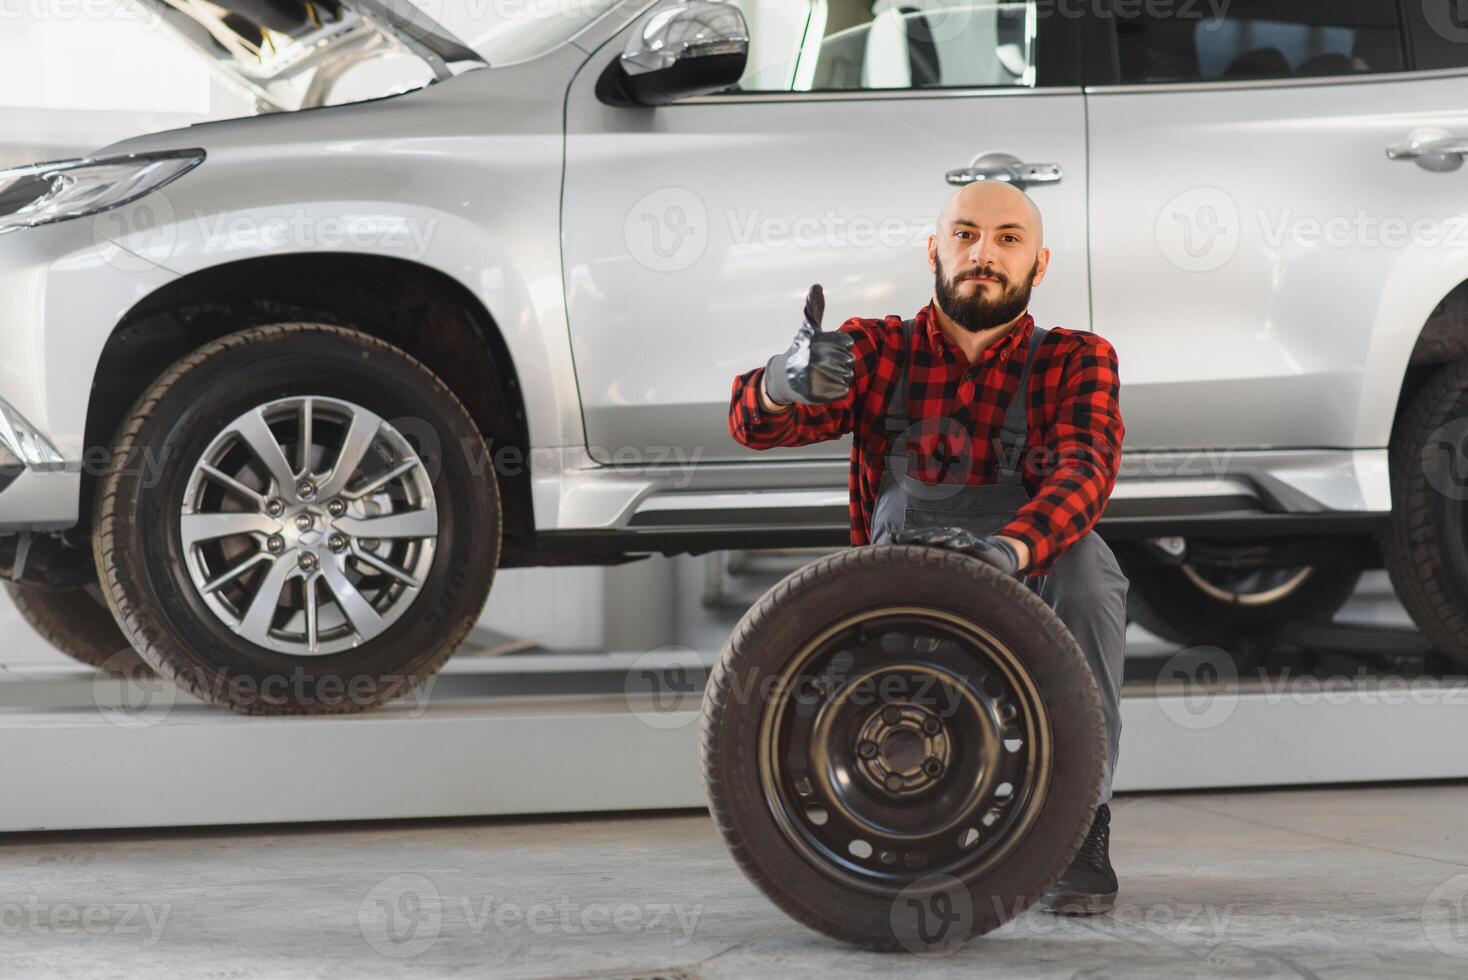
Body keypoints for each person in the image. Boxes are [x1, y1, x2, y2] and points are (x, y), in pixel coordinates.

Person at [726, 180, 1129, 914]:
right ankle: (868, 820)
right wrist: (786, 381)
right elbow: (752, 427)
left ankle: (1080, 823)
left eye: (1009, 239)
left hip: (1023, 577)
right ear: (935, 249)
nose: (984, 253)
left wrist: (1009, 555)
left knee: (1091, 575)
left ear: (1040, 265)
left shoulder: (1077, 358)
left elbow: (1085, 470)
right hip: (899, 584)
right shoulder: (875, 350)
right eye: (966, 234)